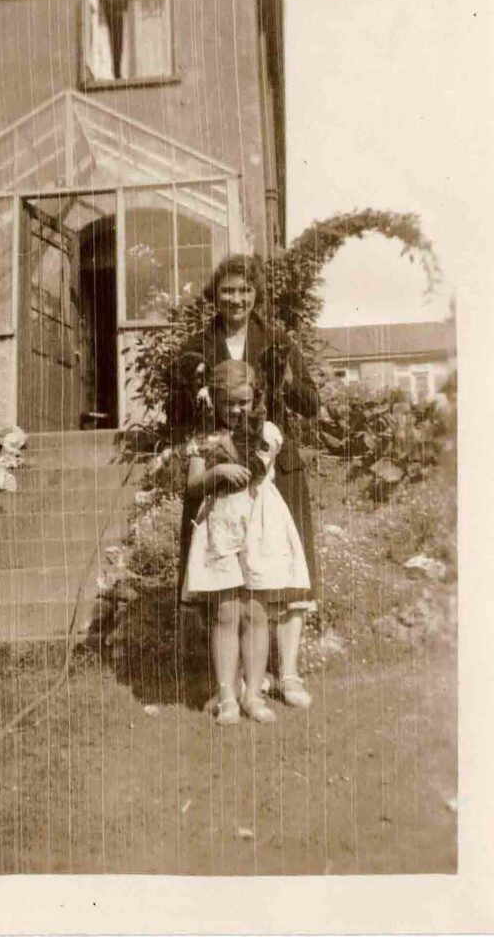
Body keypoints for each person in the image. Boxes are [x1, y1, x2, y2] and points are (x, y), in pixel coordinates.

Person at [173, 253, 319, 710]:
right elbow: (173, 415)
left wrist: (288, 378)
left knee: (285, 567)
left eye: (245, 290)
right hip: (218, 469)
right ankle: (231, 684)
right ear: (215, 295)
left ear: (257, 294)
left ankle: (288, 672)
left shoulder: (276, 340)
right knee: (221, 575)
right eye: (228, 290)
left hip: (274, 468)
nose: (236, 298)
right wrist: (190, 390)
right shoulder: (198, 344)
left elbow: (311, 404)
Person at [181, 361, 314, 725]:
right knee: (225, 612)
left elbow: (254, 469)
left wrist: (224, 449)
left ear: (255, 397)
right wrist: (214, 471)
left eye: (244, 402)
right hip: (220, 525)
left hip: (260, 524)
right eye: (228, 403)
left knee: (256, 610)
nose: (237, 410)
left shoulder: (266, 431)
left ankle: (253, 694)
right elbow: (192, 486)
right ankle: (227, 696)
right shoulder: (202, 437)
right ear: (215, 401)